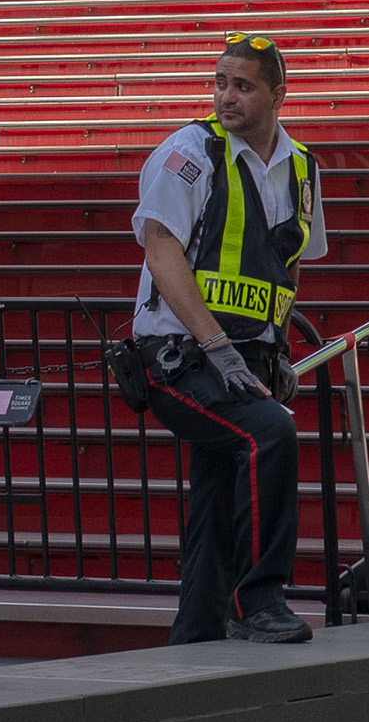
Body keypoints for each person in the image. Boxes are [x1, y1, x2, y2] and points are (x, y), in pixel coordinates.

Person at [126, 33, 322, 646]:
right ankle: (258, 599)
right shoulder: (187, 154)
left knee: (216, 495)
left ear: (278, 95)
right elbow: (162, 252)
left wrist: (279, 345)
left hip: (251, 359)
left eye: (243, 85)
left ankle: (198, 634)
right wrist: (217, 347)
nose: (226, 96)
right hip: (181, 359)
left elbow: (290, 260)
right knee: (271, 434)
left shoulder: (301, 166)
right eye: (220, 82)